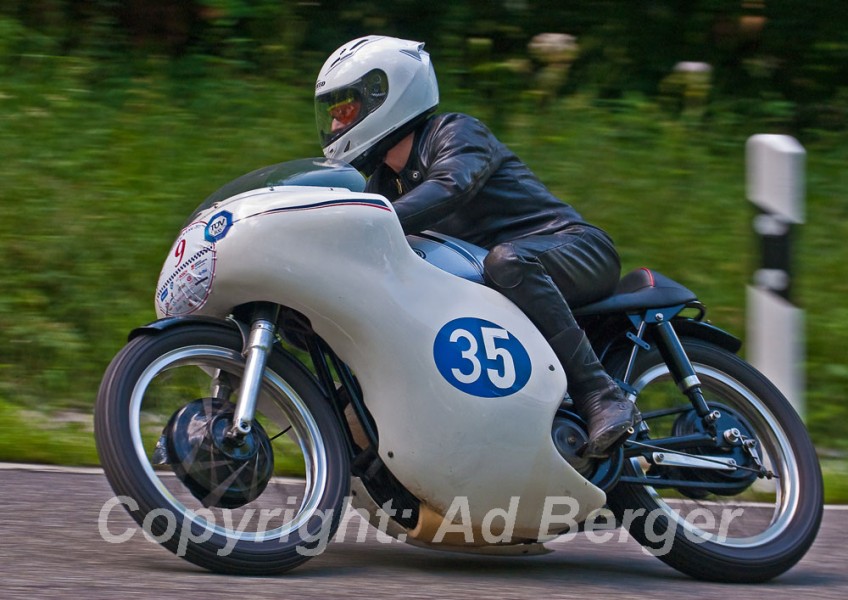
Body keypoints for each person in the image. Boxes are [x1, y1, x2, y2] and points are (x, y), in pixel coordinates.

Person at [314, 36, 637, 458]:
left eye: (345, 111)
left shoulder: (455, 132)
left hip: (574, 248)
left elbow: (450, 186)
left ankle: (602, 395)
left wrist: (366, 220)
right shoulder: (382, 186)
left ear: (385, 96)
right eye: (332, 115)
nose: (337, 127)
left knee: (507, 260)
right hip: (498, 282)